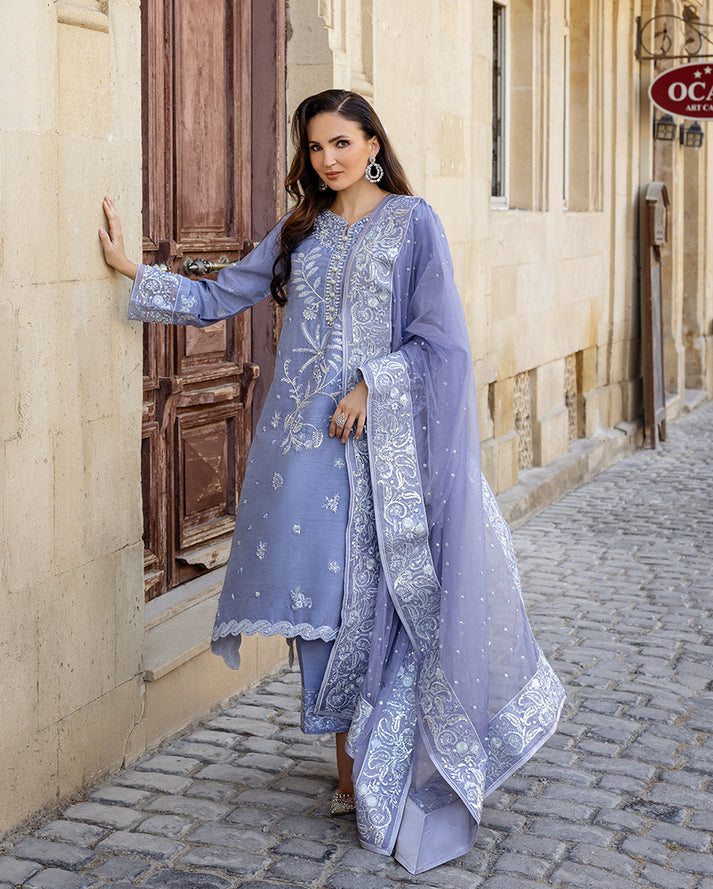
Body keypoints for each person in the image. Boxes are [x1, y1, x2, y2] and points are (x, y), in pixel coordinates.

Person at [100, 89, 565, 874]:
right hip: (296, 453)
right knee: (316, 607)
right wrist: (131, 272)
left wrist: (372, 385)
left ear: (372, 144)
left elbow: (442, 342)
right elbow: (219, 296)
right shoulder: (300, 228)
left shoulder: (412, 224)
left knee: (369, 603)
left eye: (341, 142)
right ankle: (348, 767)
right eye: (315, 147)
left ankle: (371, 768)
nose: (327, 159)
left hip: (376, 453)